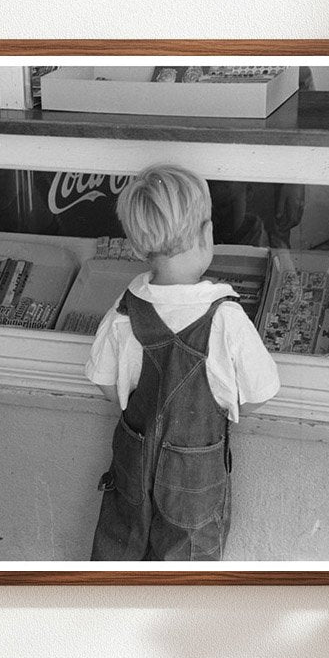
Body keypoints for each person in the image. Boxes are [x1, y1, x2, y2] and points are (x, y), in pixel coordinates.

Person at [86, 164, 280, 561]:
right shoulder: (225, 318)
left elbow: (107, 386)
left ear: (138, 247)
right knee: (187, 567)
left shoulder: (123, 314)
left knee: (120, 550)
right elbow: (260, 391)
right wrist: (219, 411)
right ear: (207, 235)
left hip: (133, 467)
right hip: (197, 474)